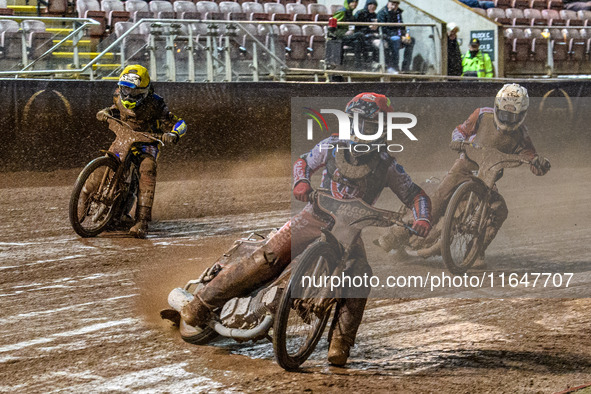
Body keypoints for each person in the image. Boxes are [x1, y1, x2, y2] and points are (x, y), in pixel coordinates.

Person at [181, 93, 432, 366]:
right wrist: (301, 182)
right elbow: (303, 161)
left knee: (360, 276)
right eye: (358, 124)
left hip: (349, 232)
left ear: (383, 128)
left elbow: (416, 195)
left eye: (369, 125)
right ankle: (201, 304)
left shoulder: (388, 165)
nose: (362, 131)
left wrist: (422, 218)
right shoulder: (331, 146)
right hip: (312, 217)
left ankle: (340, 345)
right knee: (267, 256)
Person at [377, 84, 550, 266]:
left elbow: (533, 160)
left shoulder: (522, 135)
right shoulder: (482, 114)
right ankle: (393, 237)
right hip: (464, 167)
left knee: (499, 210)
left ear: (522, 115)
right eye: (505, 115)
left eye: (512, 117)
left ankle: (475, 251)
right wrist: (458, 141)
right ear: (497, 107)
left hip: (488, 178)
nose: (507, 121)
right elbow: (460, 130)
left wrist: (540, 163)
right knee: (435, 203)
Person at [96, 64, 187, 238]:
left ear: (145, 91)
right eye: (125, 90)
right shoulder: (117, 95)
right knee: (103, 166)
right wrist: (105, 112)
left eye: (135, 93)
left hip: (147, 143)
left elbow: (180, 123)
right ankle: (93, 207)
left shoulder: (157, 103)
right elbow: (116, 109)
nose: (128, 95)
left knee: (147, 169)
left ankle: (142, 221)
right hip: (124, 138)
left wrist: (174, 134)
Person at [377, 0, 415, 73]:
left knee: (411, 40)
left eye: (396, 5)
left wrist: (405, 35)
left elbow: (401, 27)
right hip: (387, 37)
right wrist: (400, 37)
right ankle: (395, 66)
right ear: (388, 3)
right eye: (392, 4)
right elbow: (384, 29)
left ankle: (405, 67)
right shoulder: (382, 13)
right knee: (396, 40)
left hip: (398, 36)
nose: (394, 7)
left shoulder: (398, 13)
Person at [330, 0, 364, 70]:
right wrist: (342, 33)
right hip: (339, 36)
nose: (354, 4)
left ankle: (358, 65)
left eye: (356, 2)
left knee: (357, 42)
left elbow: (351, 25)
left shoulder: (350, 12)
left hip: (346, 36)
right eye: (352, 2)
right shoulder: (342, 11)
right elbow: (331, 26)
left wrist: (351, 30)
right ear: (348, 3)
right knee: (360, 35)